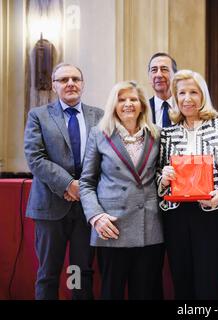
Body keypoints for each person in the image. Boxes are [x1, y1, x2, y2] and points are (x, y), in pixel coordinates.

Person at [23, 63, 103, 299]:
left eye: (76, 79)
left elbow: (105, 156)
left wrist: (82, 188)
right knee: (48, 272)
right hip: (50, 207)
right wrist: (69, 184)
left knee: (79, 271)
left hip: (85, 209)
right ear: (55, 85)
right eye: (64, 79)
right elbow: (35, 157)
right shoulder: (38, 115)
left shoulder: (99, 116)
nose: (71, 83)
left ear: (83, 84)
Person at [80, 81, 163, 300]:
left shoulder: (156, 134)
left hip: (149, 225)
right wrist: (96, 216)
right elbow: (86, 182)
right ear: (113, 105)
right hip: (112, 226)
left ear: (142, 105)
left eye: (133, 99)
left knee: (145, 293)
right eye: (122, 99)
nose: (128, 104)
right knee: (111, 292)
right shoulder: (99, 134)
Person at [157, 69, 218, 299]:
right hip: (176, 216)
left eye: (193, 92)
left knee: (209, 281)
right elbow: (158, 172)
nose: (187, 98)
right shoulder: (166, 133)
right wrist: (164, 178)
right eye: (181, 93)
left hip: (210, 213)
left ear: (203, 96)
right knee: (182, 279)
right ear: (175, 98)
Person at [148, 52, 178, 128]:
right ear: (149, 76)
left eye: (164, 69)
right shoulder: (143, 109)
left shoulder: (183, 106)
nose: (159, 75)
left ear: (175, 75)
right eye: (154, 70)